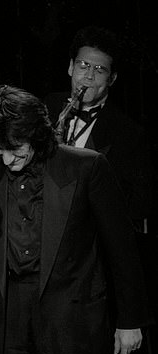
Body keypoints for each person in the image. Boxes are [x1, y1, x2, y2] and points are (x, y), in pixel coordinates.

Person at [0, 84, 152, 354]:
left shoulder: (86, 167)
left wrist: (130, 321)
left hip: (69, 318)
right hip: (12, 317)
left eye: (15, 148)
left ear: (36, 134)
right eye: (0, 149)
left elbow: (121, 247)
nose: (7, 159)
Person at [44, 25, 153, 230]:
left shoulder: (129, 133)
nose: (89, 76)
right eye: (83, 65)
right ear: (70, 67)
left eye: (100, 70)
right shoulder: (46, 107)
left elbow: (139, 204)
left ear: (112, 79)